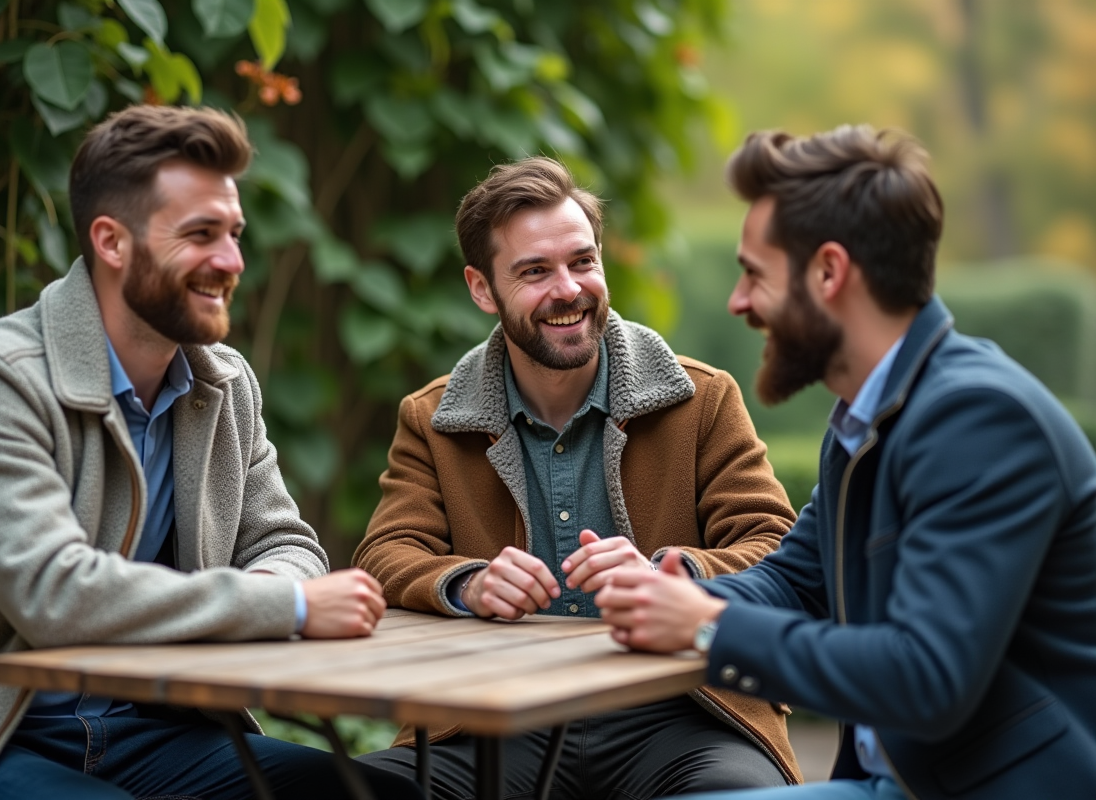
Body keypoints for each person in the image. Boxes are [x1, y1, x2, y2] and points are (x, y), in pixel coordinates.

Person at [0, 105, 420, 800]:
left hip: (156, 731)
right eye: (201, 234)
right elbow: (56, 592)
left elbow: (286, 541)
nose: (232, 261)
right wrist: (288, 607)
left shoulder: (222, 381)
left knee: (384, 793)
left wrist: (275, 588)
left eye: (234, 234)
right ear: (111, 242)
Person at [596, 125, 1096, 800]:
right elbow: (794, 583)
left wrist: (706, 627)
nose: (738, 302)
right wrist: (675, 588)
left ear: (829, 272)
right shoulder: (867, 416)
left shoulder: (979, 419)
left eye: (754, 274)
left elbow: (925, 677)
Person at [354, 156, 804, 798]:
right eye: (535, 271)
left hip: (686, 713)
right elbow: (384, 556)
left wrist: (669, 574)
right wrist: (468, 583)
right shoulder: (432, 418)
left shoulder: (703, 399)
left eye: (582, 262)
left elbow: (778, 549)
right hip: (495, 718)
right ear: (482, 289)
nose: (568, 289)